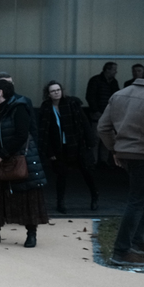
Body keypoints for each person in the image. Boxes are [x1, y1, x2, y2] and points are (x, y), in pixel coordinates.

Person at [97, 62, 144, 266]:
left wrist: (114, 149)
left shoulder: (119, 94)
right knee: (138, 200)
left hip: (126, 154)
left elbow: (103, 128)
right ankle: (121, 251)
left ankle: (137, 240)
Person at [0, 79, 47, 247]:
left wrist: (2, 154)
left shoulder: (19, 107)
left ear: (1, 92)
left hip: (19, 159)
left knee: (27, 195)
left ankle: (31, 234)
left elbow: (21, 135)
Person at [38, 80, 98, 213]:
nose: (56, 93)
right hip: (59, 147)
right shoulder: (46, 107)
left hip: (77, 144)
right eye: (53, 91)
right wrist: (49, 151)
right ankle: (60, 202)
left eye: (58, 90)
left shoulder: (72, 103)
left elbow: (84, 122)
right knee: (61, 175)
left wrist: (90, 142)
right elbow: (44, 131)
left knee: (87, 172)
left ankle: (95, 196)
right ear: (48, 94)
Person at [86, 62, 120, 166]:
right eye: (114, 69)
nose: (116, 72)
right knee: (99, 137)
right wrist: (96, 111)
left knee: (103, 137)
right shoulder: (108, 82)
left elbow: (90, 96)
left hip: (103, 113)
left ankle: (99, 161)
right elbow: (90, 96)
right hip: (101, 113)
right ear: (108, 70)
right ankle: (97, 160)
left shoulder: (97, 80)